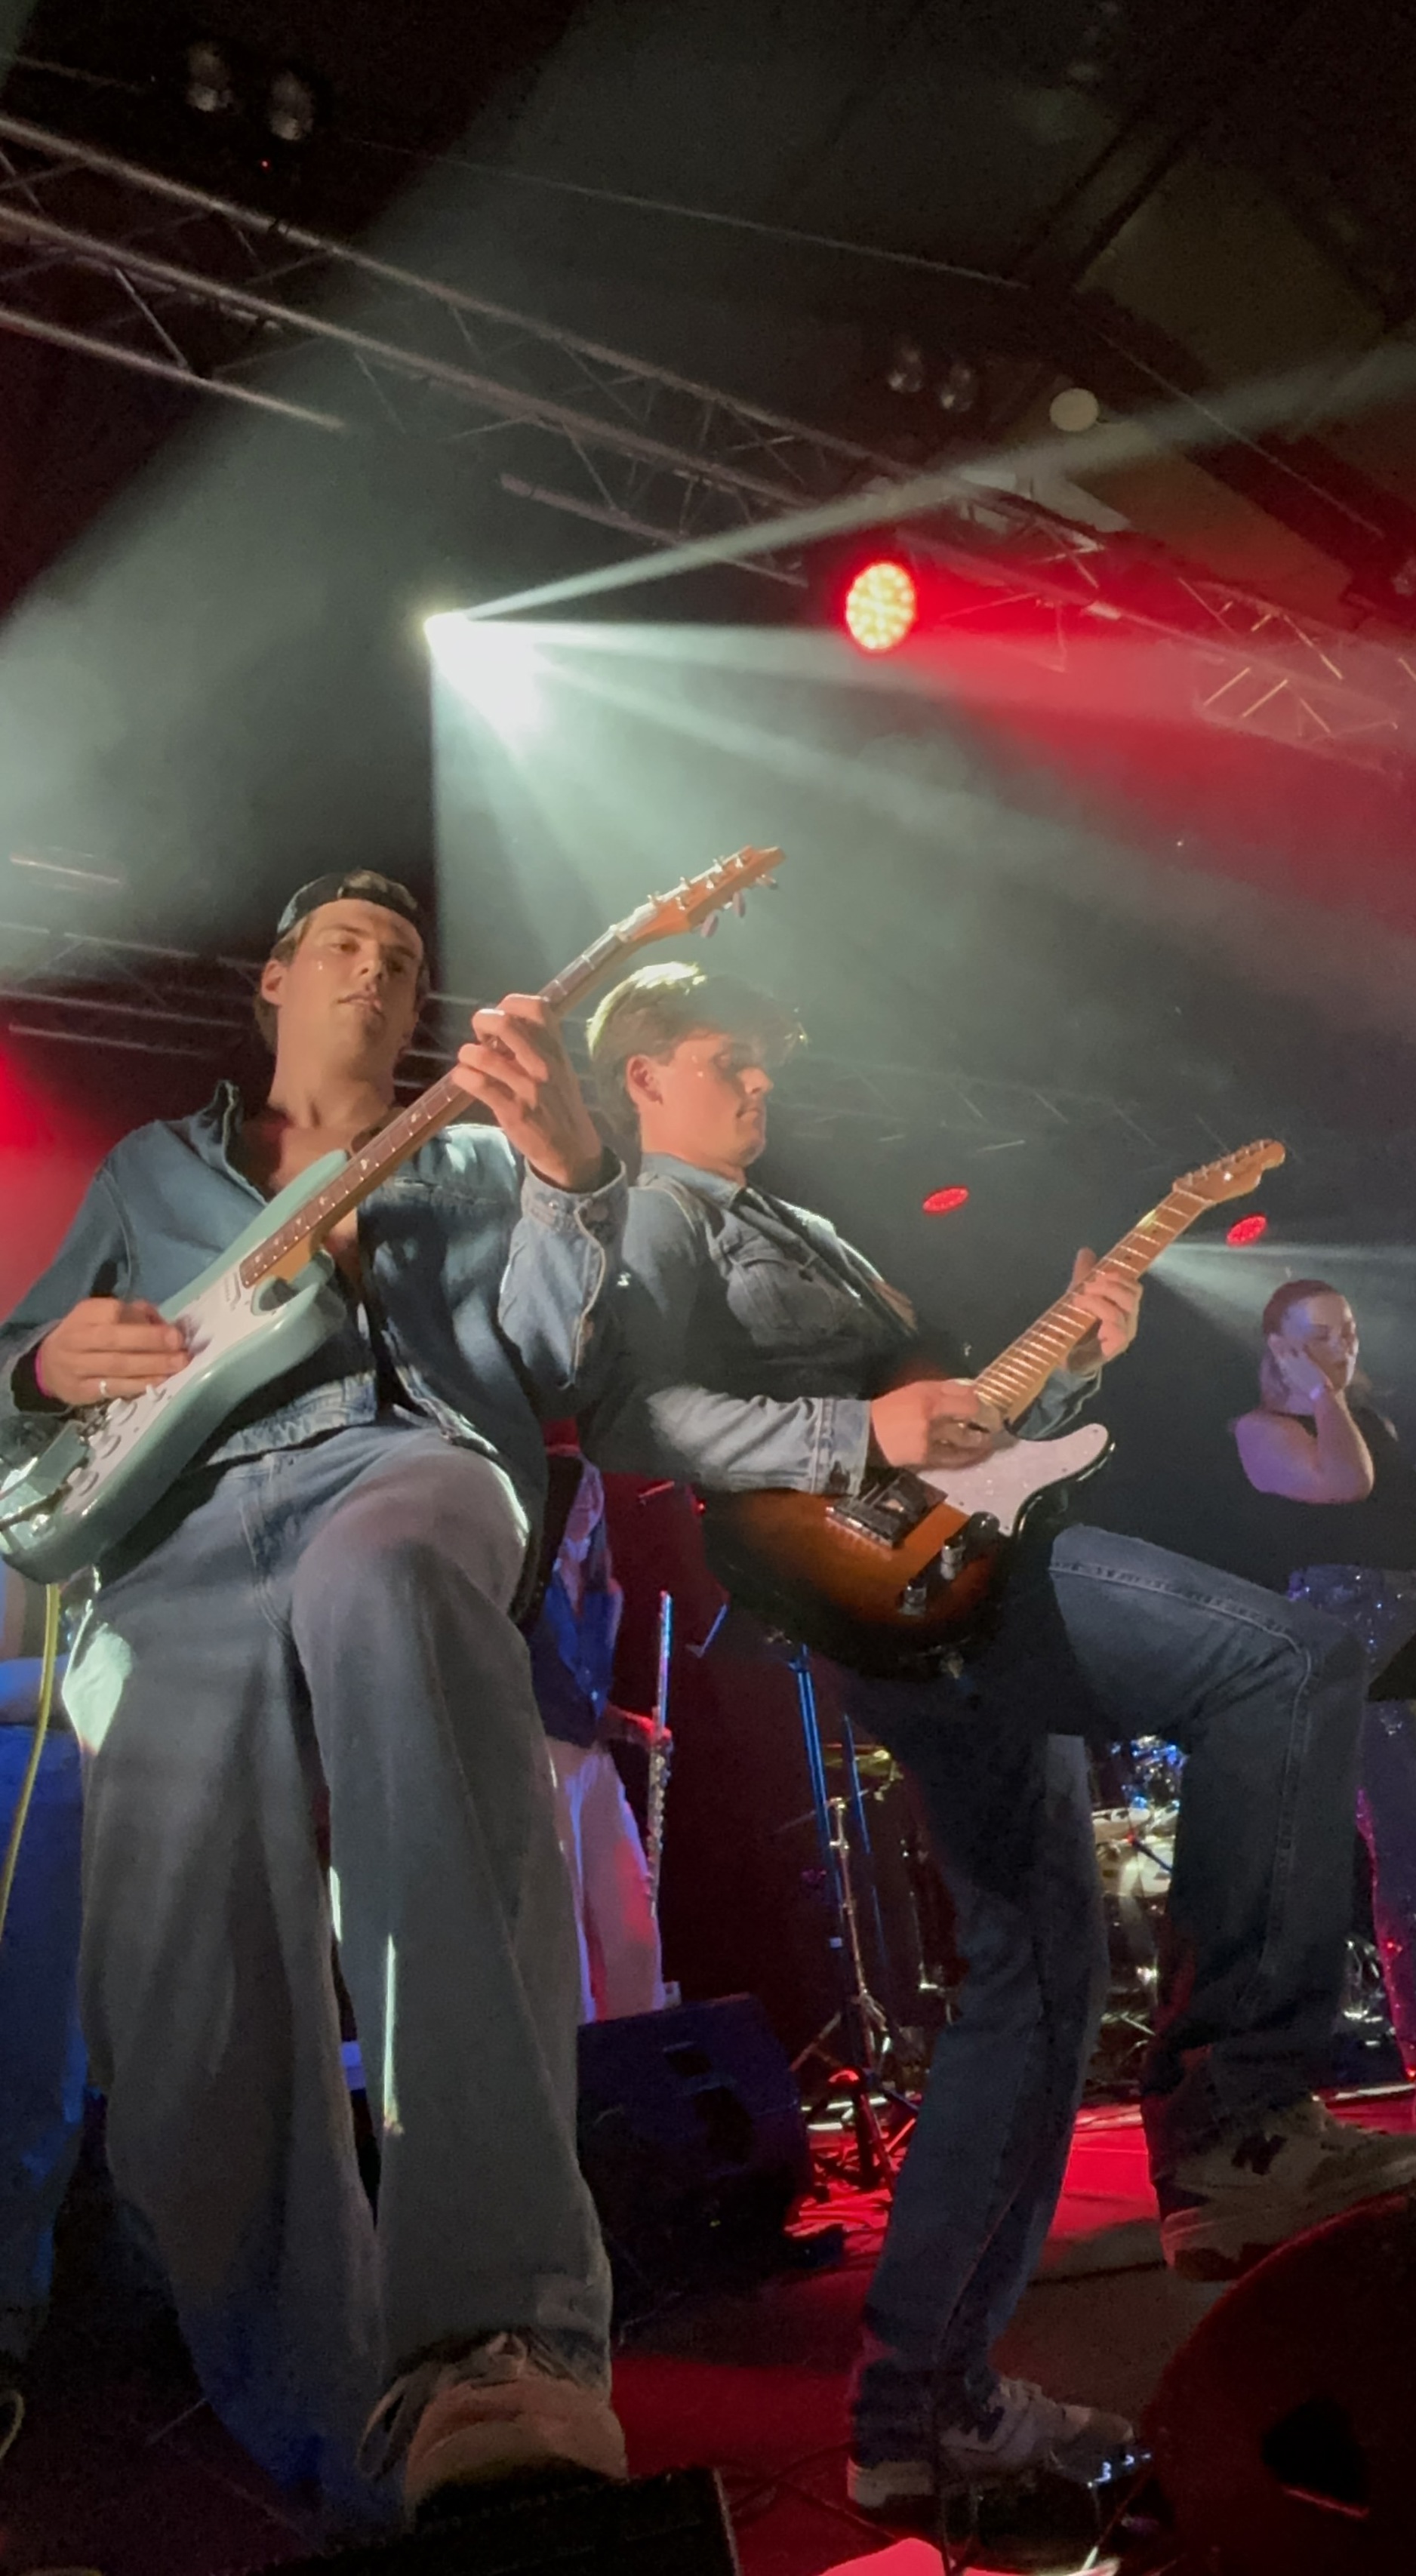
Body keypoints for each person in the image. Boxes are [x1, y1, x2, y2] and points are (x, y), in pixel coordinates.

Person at [580, 959, 1416, 2521]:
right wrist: (862, 1432)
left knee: (1035, 1982)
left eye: (768, 1060)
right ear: (641, 1074)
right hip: (896, 1581)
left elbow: (963, 1424)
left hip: (944, 1570)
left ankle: (921, 2414)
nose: (761, 1082)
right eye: (728, 1058)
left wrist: (1079, 1354)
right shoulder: (654, 1215)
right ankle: (1238, 2118)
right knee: (1291, 1656)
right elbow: (636, 1414)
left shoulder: (806, 1228)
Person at [0, 870, 630, 2528]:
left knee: (396, 1588)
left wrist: (574, 1170)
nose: (378, 969)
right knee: (179, 2025)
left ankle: (500, 2335)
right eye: (346, 945)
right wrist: (43, 1365)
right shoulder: (153, 1167)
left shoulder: (477, 1154)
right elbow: (22, 1381)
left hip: (397, 1460)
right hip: (176, 1533)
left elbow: (557, 1350)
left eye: (405, 958)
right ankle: (346, 2448)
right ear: (274, 980)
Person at [1234, 1277, 1416, 2123]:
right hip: (1351, 1638)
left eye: (1349, 1330)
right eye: (1320, 1334)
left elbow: (1413, 1531)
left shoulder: (1375, 1423)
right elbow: (1344, 1485)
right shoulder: (1262, 1429)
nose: (1344, 1346)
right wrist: (1321, 1394)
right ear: (1278, 1344)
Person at [528, 1454, 667, 2023]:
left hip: (593, 1760)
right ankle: (580, 2051)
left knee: (631, 1913)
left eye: (596, 1489)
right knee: (564, 1923)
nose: (590, 1498)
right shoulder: (527, 1592)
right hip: (540, 1756)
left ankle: (643, 2036)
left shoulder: (606, 1593)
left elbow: (586, 1700)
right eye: (577, 1489)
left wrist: (634, 1727)